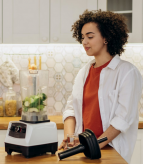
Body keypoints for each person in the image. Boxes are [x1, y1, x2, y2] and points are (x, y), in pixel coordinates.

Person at [59, 10, 143, 163]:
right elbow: (71, 108)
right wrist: (70, 138)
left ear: (107, 37)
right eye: (82, 37)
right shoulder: (83, 72)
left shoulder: (127, 72)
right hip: (83, 150)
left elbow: (123, 118)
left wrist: (95, 145)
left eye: (90, 37)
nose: (84, 42)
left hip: (112, 150)